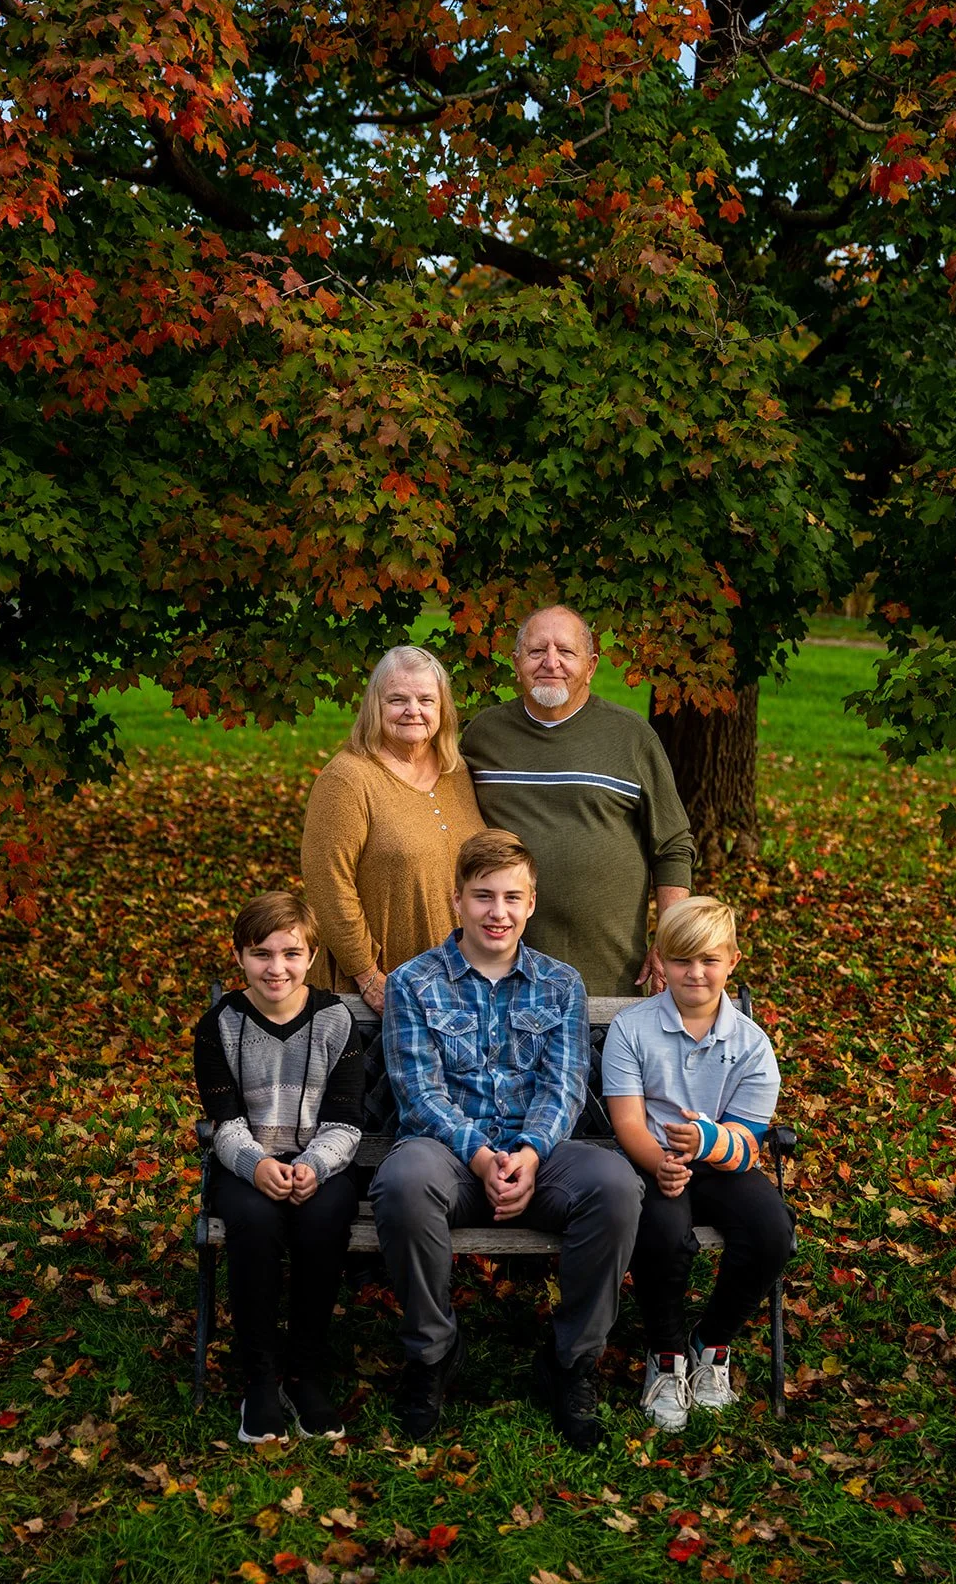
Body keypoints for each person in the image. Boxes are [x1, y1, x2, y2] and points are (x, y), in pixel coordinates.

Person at [370, 829, 644, 1448]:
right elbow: (419, 1093)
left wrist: (527, 1154)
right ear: (457, 901)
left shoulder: (560, 985)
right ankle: (433, 1354)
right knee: (403, 1182)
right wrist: (480, 1154)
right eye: (483, 896)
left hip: (538, 1156)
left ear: (532, 903)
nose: (498, 912)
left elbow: (565, 1087)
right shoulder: (414, 983)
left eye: (512, 898)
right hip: (447, 1157)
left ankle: (571, 1362)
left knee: (615, 1185)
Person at [602, 896, 794, 1430]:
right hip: (648, 1160)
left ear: (732, 960)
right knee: (663, 1230)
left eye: (709, 959)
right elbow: (628, 1123)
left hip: (720, 1163)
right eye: (682, 959)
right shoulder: (631, 1029)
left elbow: (746, 1144)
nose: (695, 972)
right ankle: (666, 1357)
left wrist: (706, 1139)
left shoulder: (752, 1046)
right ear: (661, 959)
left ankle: (711, 1344)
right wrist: (662, 1162)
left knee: (771, 1229)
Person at [193, 890, 363, 1445]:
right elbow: (224, 1122)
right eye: (261, 954)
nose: (277, 968)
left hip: (321, 1165)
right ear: (240, 956)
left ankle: (306, 1373)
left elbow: (345, 1122)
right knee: (256, 1224)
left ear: (311, 956)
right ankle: (260, 1380)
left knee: (323, 1221)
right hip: (248, 1164)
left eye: (291, 953)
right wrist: (257, 1165)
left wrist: (313, 1166)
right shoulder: (220, 1024)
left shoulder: (336, 1021)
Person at [460, 604, 695, 996]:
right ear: (517, 663)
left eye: (566, 652)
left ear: (591, 665)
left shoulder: (631, 738)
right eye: (537, 652)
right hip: (498, 974)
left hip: (609, 975)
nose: (551, 662)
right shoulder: (484, 736)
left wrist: (670, 939)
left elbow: (672, 847)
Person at [300, 644, 484, 1013]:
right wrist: (366, 974)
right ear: (375, 706)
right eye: (397, 699)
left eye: (426, 700)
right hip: (377, 993)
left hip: (458, 986)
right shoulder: (349, 778)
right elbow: (328, 884)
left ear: (442, 709)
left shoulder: (456, 771)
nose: (413, 711)